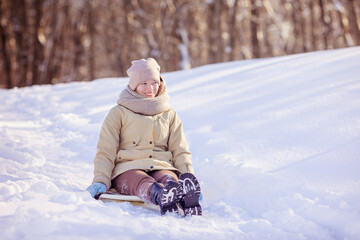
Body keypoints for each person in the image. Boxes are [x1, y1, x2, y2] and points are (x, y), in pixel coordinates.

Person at [87, 58, 202, 216]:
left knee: (168, 178)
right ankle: (160, 195)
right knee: (141, 181)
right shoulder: (119, 113)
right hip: (128, 168)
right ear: (134, 86)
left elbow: (180, 150)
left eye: (154, 82)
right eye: (144, 83)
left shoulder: (169, 114)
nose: (151, 88)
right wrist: (100, 179)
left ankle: (182, 194)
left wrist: (188, 176)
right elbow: (106, 151)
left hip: (161, 165)